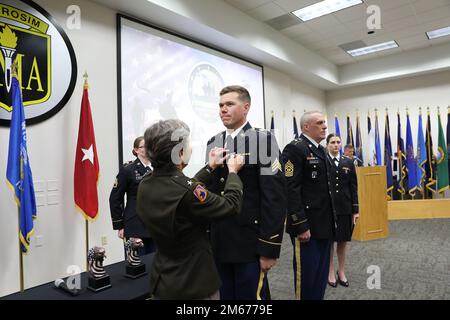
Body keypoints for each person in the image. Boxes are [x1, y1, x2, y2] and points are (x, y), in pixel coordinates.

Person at [136, 119, 244, 300]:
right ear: (179, 153)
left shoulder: (146, 183)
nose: (191, 148)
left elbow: (182, 189)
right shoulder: (187, 192)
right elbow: (231, 205)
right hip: (194, 284)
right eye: (188, 145)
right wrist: (233, 172)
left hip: (163, 281)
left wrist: (209, 168)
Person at [205, 85, 286, 300]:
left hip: (249, 242)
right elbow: (213, 192)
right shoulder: (213, 142)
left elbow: (274, 197)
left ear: (246, 107)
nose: (223, 109)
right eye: (221, 105)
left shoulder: (264, 140)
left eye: (230, 104)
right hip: (220, 241)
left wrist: (269, 247)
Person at [281, 111, 336, 300]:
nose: (324, 126)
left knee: (320, 276)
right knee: (306, 277)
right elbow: (290, 188)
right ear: (306, 127)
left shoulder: (321, 150)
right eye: (319, 123)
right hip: (306, 227)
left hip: (324, 224)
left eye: (325, 123)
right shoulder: (294, 149)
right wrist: (300, 224)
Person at [109, 136, 154, 255]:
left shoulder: (158, 168)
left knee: (154, 266)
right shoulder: (128, 170)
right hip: (135, 225)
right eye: (144, 146)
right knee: (137, 266)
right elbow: (115, 198)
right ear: (136, 150)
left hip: (155, 226)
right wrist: (119, 225)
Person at [326, 134, 359, 288]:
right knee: (330, 241)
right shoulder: (323, 161)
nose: (336, 145)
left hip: (345, 207)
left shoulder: (348, 162)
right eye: (332, 142)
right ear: (327, 145)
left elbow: (353, 187)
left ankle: (342, 271)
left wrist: (355, 210)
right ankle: (330, 271)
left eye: (338, 142)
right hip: (328, 208)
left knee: (343, 241)